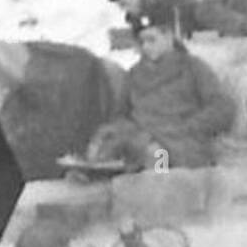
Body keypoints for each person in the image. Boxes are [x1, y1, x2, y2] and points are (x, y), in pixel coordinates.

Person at [87, 9, 235, 170]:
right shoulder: (134, 74)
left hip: (181, 146)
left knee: (157, 162)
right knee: (107, 153)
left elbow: (222, 107)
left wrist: (188, 127)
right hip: (141, 142)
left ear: (169, 37)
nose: (146, 47)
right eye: (142, 42)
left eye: (151, 40)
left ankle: (158, 177)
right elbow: (122, 115)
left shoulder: (193, 67)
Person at [105, 0, 202, 40]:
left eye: (125, 4)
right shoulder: (136, 21)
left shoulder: (170, 1)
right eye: (121, 6)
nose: (124, 10)